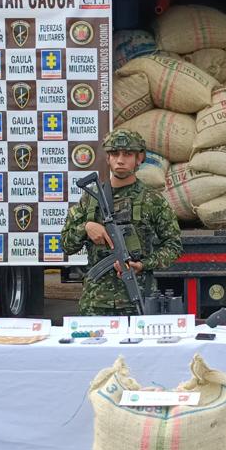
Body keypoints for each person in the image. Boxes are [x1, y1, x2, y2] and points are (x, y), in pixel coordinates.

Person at [61, 129, 183, 315]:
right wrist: (86, 227)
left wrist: (143, 265)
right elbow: (66, 245)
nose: (120, 159)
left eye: (127, 154)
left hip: (138, 298)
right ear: (108, 158)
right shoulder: (90, 199)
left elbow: (174, 246)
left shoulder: (152, 200)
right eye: (115, 154)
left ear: (139, 158)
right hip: (96, 303)